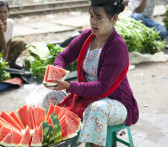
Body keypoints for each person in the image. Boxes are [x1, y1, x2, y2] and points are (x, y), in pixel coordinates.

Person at [41, 0, 139, 146]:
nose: (93, 22)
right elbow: (63, 56)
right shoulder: (87, 36)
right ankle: (56, 142)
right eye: (91, 16)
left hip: (116, 102)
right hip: (85, 96)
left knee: (96, 110)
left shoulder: (117, 47)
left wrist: (69, 85)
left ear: (114, 19)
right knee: (51, 97)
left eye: (99, 18)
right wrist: (57, 71)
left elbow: (102, 87)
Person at [0, 1, 26, 68]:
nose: (3, 15)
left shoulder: (10, 23)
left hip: (4, 50)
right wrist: (1, 29)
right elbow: (1, 46)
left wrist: (5, 58)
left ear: (9, 13)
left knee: (20, 42)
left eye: (5, 12)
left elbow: (9, 42)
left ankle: (11, 63)